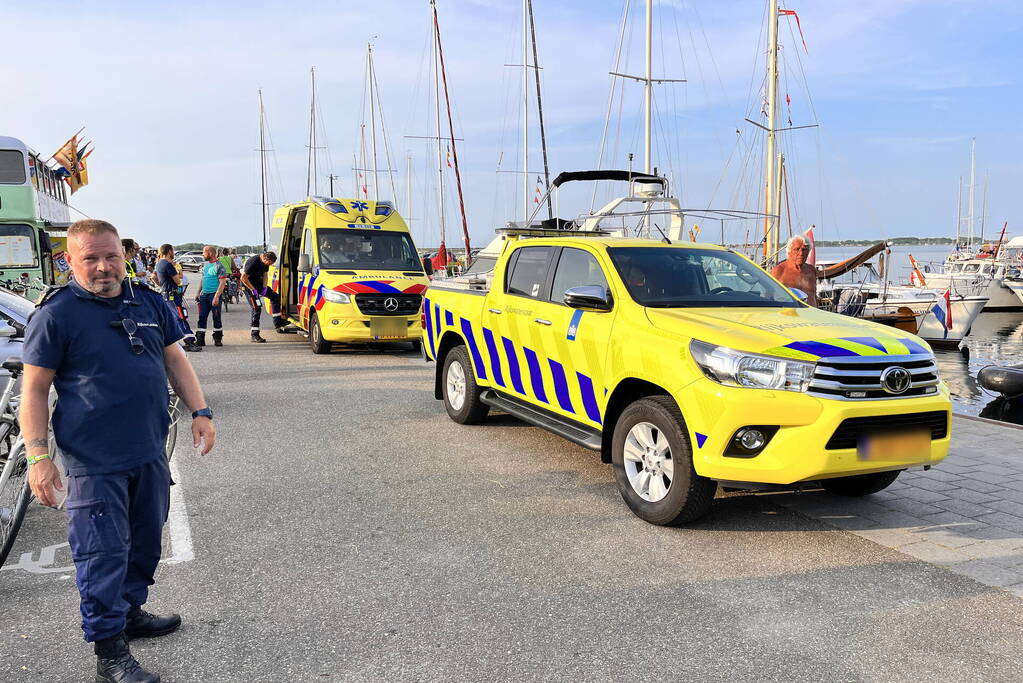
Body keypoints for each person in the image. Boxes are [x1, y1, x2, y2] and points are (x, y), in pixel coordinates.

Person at [20, 218, 216, 683]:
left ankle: (130, 614)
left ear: (124, 255)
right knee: (102, 554)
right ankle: (109, 651)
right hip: (94, 461)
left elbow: (175, 359)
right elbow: (34, 391)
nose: (104, 266)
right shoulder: (56, 314)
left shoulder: (148, 301)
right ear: (70, 260)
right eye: (91, 258)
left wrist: (201, 411)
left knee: (146, 542)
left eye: (111, 256)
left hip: (149, 451)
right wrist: (37, 457)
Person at [154, 244, 202, 352]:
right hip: (172, 294)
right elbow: (178, 280)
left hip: (165, 294)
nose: (173, 253)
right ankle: (189, 341)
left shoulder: (159, 264)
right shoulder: (167, 264)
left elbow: (153, 277)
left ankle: (173, 342)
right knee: (180, 316)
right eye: (173, 251)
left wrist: (161, 286)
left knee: (173, 318)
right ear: (169, 251)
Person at [240, 251, 287, 343]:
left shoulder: (266, 263)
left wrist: (265, 287)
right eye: (269, 263)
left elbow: (265, 274)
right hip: (248, 286)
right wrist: (253, 290)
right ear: (265, 258)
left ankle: (278, 322)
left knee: (275, 297)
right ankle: (254, 334)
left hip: (258, 284)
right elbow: (243, 278)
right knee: (257, 308)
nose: (269, 265)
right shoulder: (253, 262)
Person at [771, 235, 819, 307]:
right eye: (797, 249)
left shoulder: (811, 270)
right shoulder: (779, 271)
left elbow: (814, 296)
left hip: (811, 314)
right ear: (789, 252)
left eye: (804, 249)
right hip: (789, 315)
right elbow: (769, 296)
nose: (801, 253)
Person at [196, 245, 228, 347]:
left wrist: (216, 296)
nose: (202, 254)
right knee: (202, 317)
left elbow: (222, 282)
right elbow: (203, 279)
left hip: (214, 295)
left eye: (204, 252)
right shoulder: (205, 265)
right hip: (204, 296)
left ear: (210, 253)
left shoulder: (219, 266)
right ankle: (200, 339)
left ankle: (217, 338)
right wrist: (198, 292)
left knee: (216, 317)